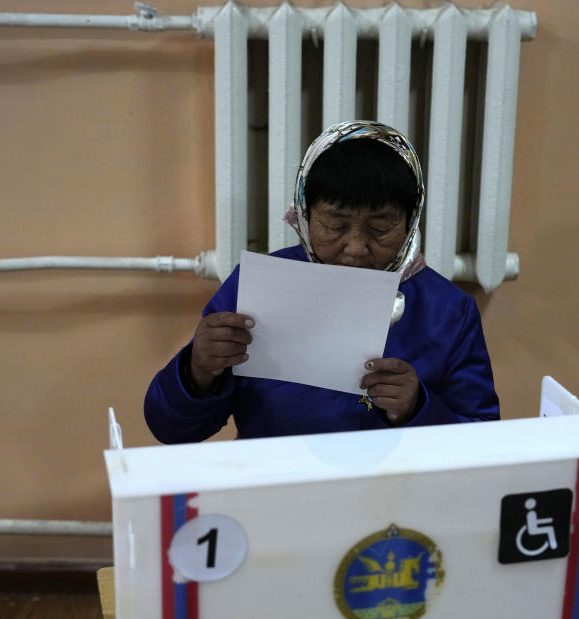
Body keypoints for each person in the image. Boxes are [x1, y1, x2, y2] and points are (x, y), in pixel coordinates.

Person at [144, 121, 499, 443]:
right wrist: (198, 370)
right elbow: (171, 429)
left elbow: (481, 442)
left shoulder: (448, 311)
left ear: (411, 221)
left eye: (380, 228)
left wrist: (417, 408)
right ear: (304, 212)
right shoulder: (259, 289)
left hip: (391, 500)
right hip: (275, 486)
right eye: (335, 225)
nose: (356, 248)